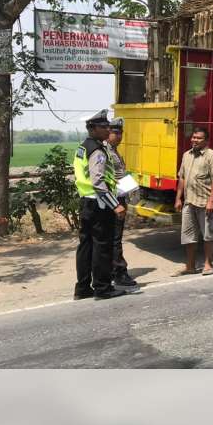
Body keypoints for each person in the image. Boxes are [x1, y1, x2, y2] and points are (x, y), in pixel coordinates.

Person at [73, 109, 127, 300]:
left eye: (108, 126)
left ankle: (82, 288)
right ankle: (103, 288)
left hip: (86, 202)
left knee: (85, 246)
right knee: (101, 246)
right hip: (100, 204)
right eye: (103, 127)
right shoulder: (97, 150)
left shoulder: (83, 146)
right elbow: (98, 182)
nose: (107, 130)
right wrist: (115, 205)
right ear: (92, 128)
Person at [174, 126, 213, 276]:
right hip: (189, 202)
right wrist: (178, 198)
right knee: (188, 235)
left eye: (199, 138)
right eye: (193, 137)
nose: (195, 140)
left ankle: (208, 264)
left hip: (205, 202)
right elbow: (182, 177)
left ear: (206, 140)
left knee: (208, 234)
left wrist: (211, 201)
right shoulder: (186, 155)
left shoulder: (211, 156)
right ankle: (190, 266)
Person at [105, 117, 138, 289]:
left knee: (114, 238)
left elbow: (120, 174)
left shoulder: (115, 151)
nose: (119, 136)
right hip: (112, 200)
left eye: (121, 133)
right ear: (107, 133)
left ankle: (111, 270)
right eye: (115, 132)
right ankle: (119, 272)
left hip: (119, 197)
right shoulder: (106, 151)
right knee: (115, 238)